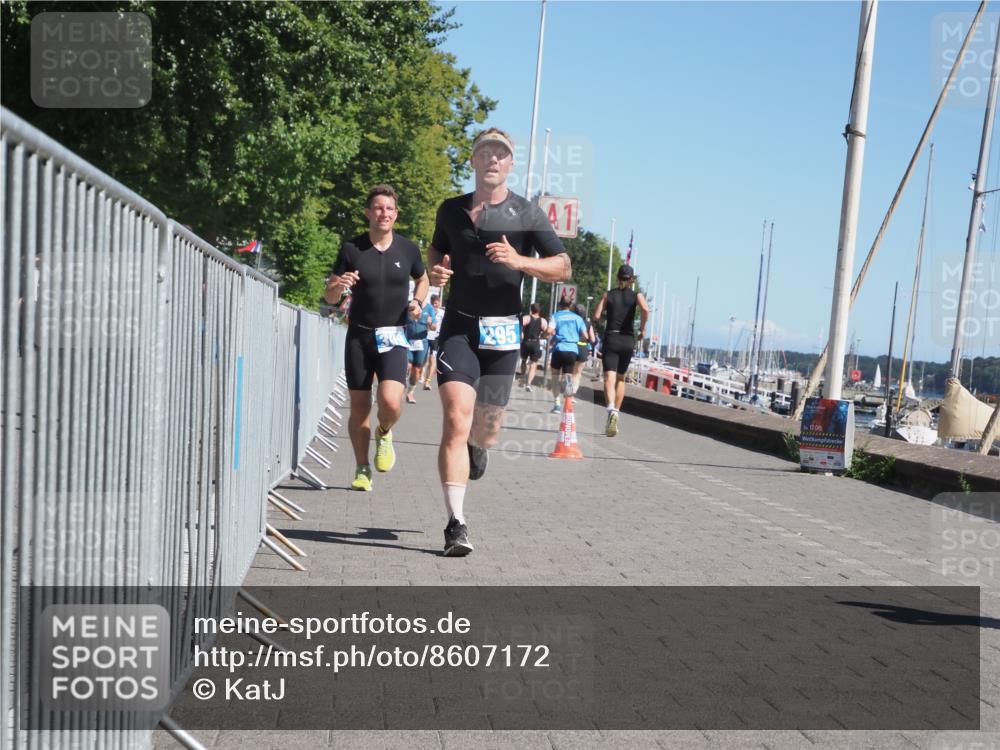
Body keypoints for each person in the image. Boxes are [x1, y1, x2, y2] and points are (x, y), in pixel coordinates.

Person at [428, 127, 571, 556]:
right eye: (485, 152)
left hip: (503, 332)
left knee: (486, 428)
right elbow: (436, 251)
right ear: (473, 160)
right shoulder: (450, 210)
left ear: (510, 164)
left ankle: (478, 446)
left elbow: (562, 266)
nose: (493, 159)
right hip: (458, 327)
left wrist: (520, 260)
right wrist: (436, 272)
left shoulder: (526, 212)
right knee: (456, 417)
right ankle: (456, 523)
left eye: (501, 154)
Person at [324, 184, 429, 491]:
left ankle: (384, 431)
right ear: (368, 213)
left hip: (393, 335)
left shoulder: (408, 249)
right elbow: (330, 297)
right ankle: (361, 468)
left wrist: (418, 303)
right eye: (378, 208)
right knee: (358, 407)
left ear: (396, 215)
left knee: (390, 401)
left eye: (389, 209)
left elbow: (421, 278)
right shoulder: (351, 249)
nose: (384, 213)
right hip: (359, 336)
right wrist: (339, 284)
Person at [591, 264, 649, 437]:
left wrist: (606, 317)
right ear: (631, 279)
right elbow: (645, 309)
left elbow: (596, 315)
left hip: (612, 337)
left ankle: (610, 411)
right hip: (627, 339)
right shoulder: (636, 295)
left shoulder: (609, 294)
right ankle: (616, 411)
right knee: (621, 378)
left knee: (609, 376)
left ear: (617, 277)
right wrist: (643, 329)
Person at [547, 297, 589, 413]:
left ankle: (556, 404)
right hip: (572, 349)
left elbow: (549, 330)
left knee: (555, 376)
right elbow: (586, 336)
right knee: (568, 377)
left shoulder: (555, 315)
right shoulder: (578, 318)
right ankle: (568, 402)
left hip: (559, 348)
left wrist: (548, 334)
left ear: (560, 304)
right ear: (571, 305)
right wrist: (575, 338)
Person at [404, 299, 432, 403]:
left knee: (416, 370)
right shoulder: (408, 306)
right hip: (408, 341)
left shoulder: (429, 309)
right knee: (407, 365)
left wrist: (430, 323)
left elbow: (434, 327)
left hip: (421, 344)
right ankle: (402, 383)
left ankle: (410, 392)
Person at [519, 303, 547, 391]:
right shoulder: (543, 321)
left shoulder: (526, 318)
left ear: (531, 309)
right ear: (539, 311)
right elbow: (546, 331)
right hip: (535, 343)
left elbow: (519, 325)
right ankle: (529, 384)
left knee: (523, 360)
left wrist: (522, 333)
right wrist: (543, 335)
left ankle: (523, 377)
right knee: (533, 364)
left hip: (526, 342)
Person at [571, 302, 596, 394]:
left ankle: (567, 389)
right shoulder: (588, 324)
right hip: (583, 348)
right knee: (578, 373)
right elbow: (593, 339)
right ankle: (573, 392)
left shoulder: (572, 321)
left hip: (572, 346)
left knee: (570, 371)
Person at [421, 294, 445, 390]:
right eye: (433, 303)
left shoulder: (442, 313)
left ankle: (428, 381)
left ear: (439, 303)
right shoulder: (427, 312)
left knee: (433, 358)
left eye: (436, 303)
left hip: (436, 338)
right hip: (426, 337)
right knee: (423, 359)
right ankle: (421, 373)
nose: (435, 305)